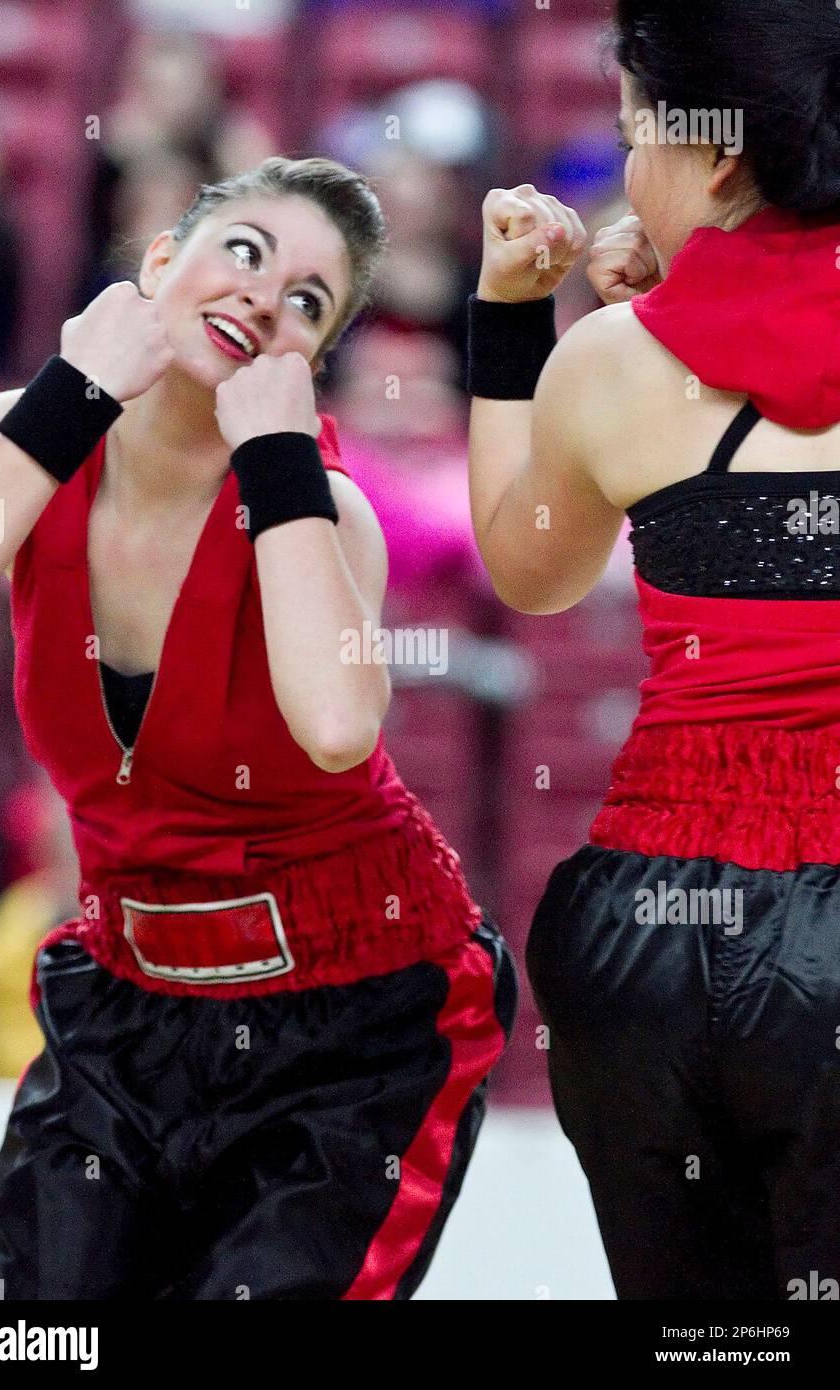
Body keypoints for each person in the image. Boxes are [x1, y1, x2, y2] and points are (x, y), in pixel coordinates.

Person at [0, 155, 517, 1300]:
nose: (263, 296)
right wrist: (72, 395)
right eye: (246, 252)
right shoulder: (19, 435)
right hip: (125, 994)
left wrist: (275, 456)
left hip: (354, 1017)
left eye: (306, 301)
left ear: (309, 362)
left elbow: (337, 725)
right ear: (161, 261)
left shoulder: (321, 503)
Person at [465, 0, 840, 1299]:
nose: (630, 168)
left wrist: (518, 323)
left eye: (635, 136)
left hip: (652, 930)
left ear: (718, 157)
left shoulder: (616, 361)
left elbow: (533, 570)